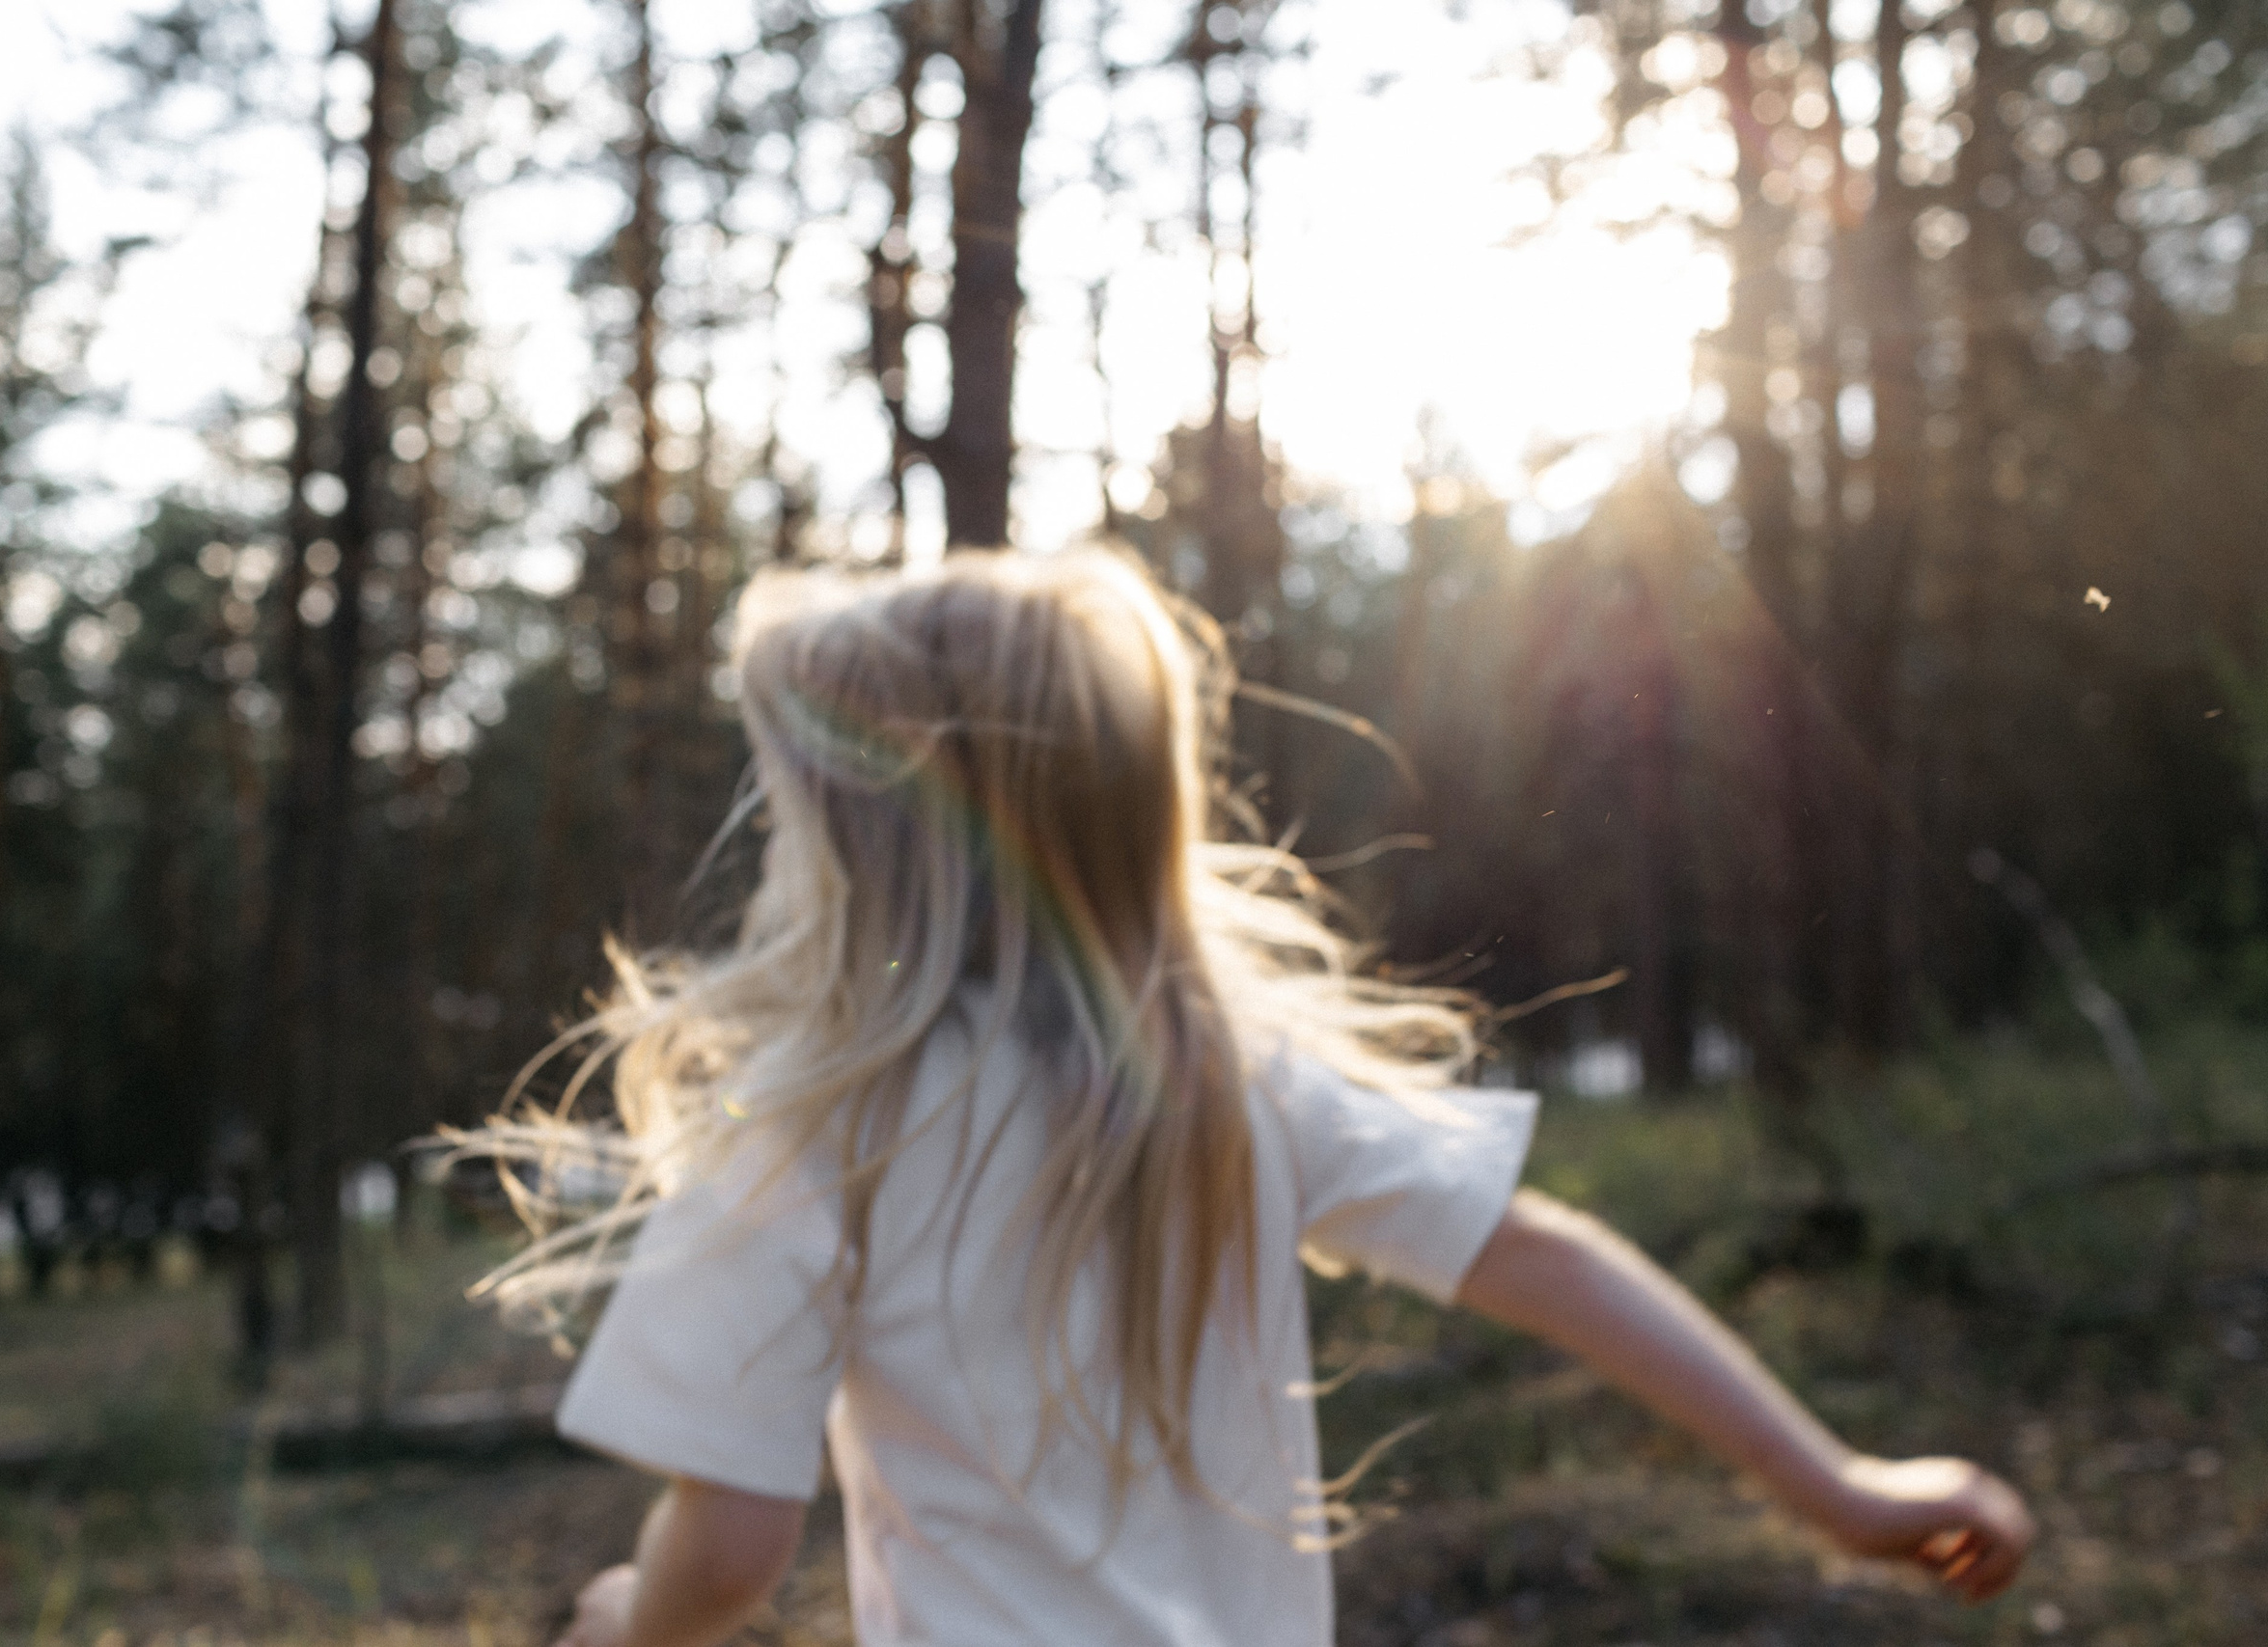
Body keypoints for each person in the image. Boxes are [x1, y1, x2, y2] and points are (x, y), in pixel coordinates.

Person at [467, 550, 2033, 1647]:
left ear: (859, 857)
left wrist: (632, 1626)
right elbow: (1540, 1251)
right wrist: (1836, 1484)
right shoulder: (1228, 1079)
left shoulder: (810, 1131)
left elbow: (734, 1546)